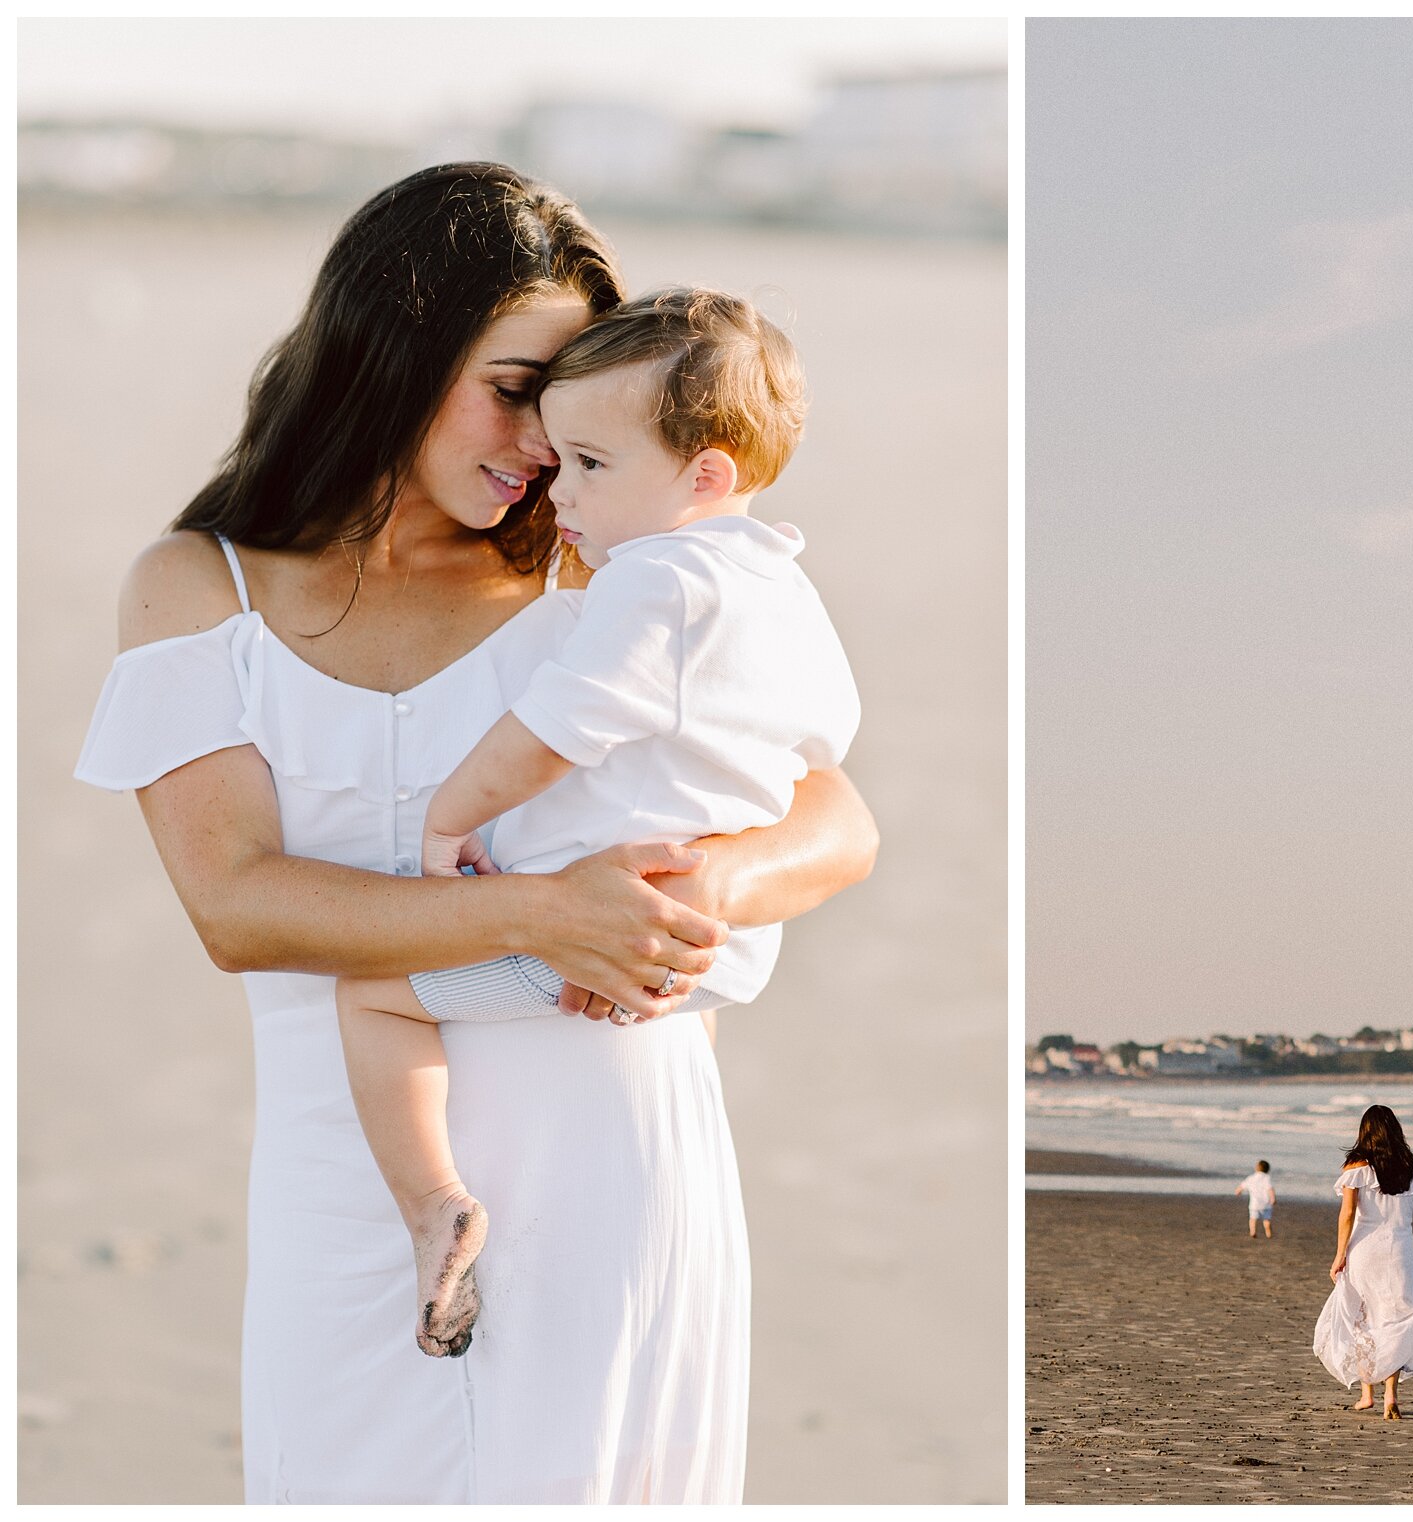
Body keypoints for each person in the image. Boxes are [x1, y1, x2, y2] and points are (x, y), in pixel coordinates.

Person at [73, 164, 878, 1503]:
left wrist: (702, 884)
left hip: (623, 1150)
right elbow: (238, 904)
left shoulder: (602, 569)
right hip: (363, 1176)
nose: (545, 445)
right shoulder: (196, 589)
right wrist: (542, 912)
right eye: (513, 385)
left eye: (570, 408)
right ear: (393, 345)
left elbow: (835, 813)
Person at [335, 287, 859, 1359]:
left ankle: (436, 1203)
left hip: (588, 932)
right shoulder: (785, 591)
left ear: (705, 476)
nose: (556, 485)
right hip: (711, 952)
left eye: (589, 464)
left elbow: (556, 729)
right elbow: (826, 750)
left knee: (371, 995)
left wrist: (453, 815)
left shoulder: (659, 583)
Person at [1312, 1105, 1413, 1419]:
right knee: (1393, 1319)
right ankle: (1391, 1397)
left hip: (1364, 1249)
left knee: (1363, 1317)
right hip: (1399, 1250)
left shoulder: (1356, 1166)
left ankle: (1366, 1393)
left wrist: (1339, 1254)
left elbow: (1347, 1214)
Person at [1234, 1159, 1276, 1239]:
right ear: (1267, 1170)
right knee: (1266, 1220)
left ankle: (1253, 1232)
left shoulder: (1251, 1178)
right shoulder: (1266, 1178)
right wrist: (1273, 1199)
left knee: (1253, 1219)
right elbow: (1270, 1189)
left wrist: (1238, 1191)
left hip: (1254, 1204)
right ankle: (1268, 1233)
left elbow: (1242, 1186)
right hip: (1266, 1204)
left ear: (1256, 1168)